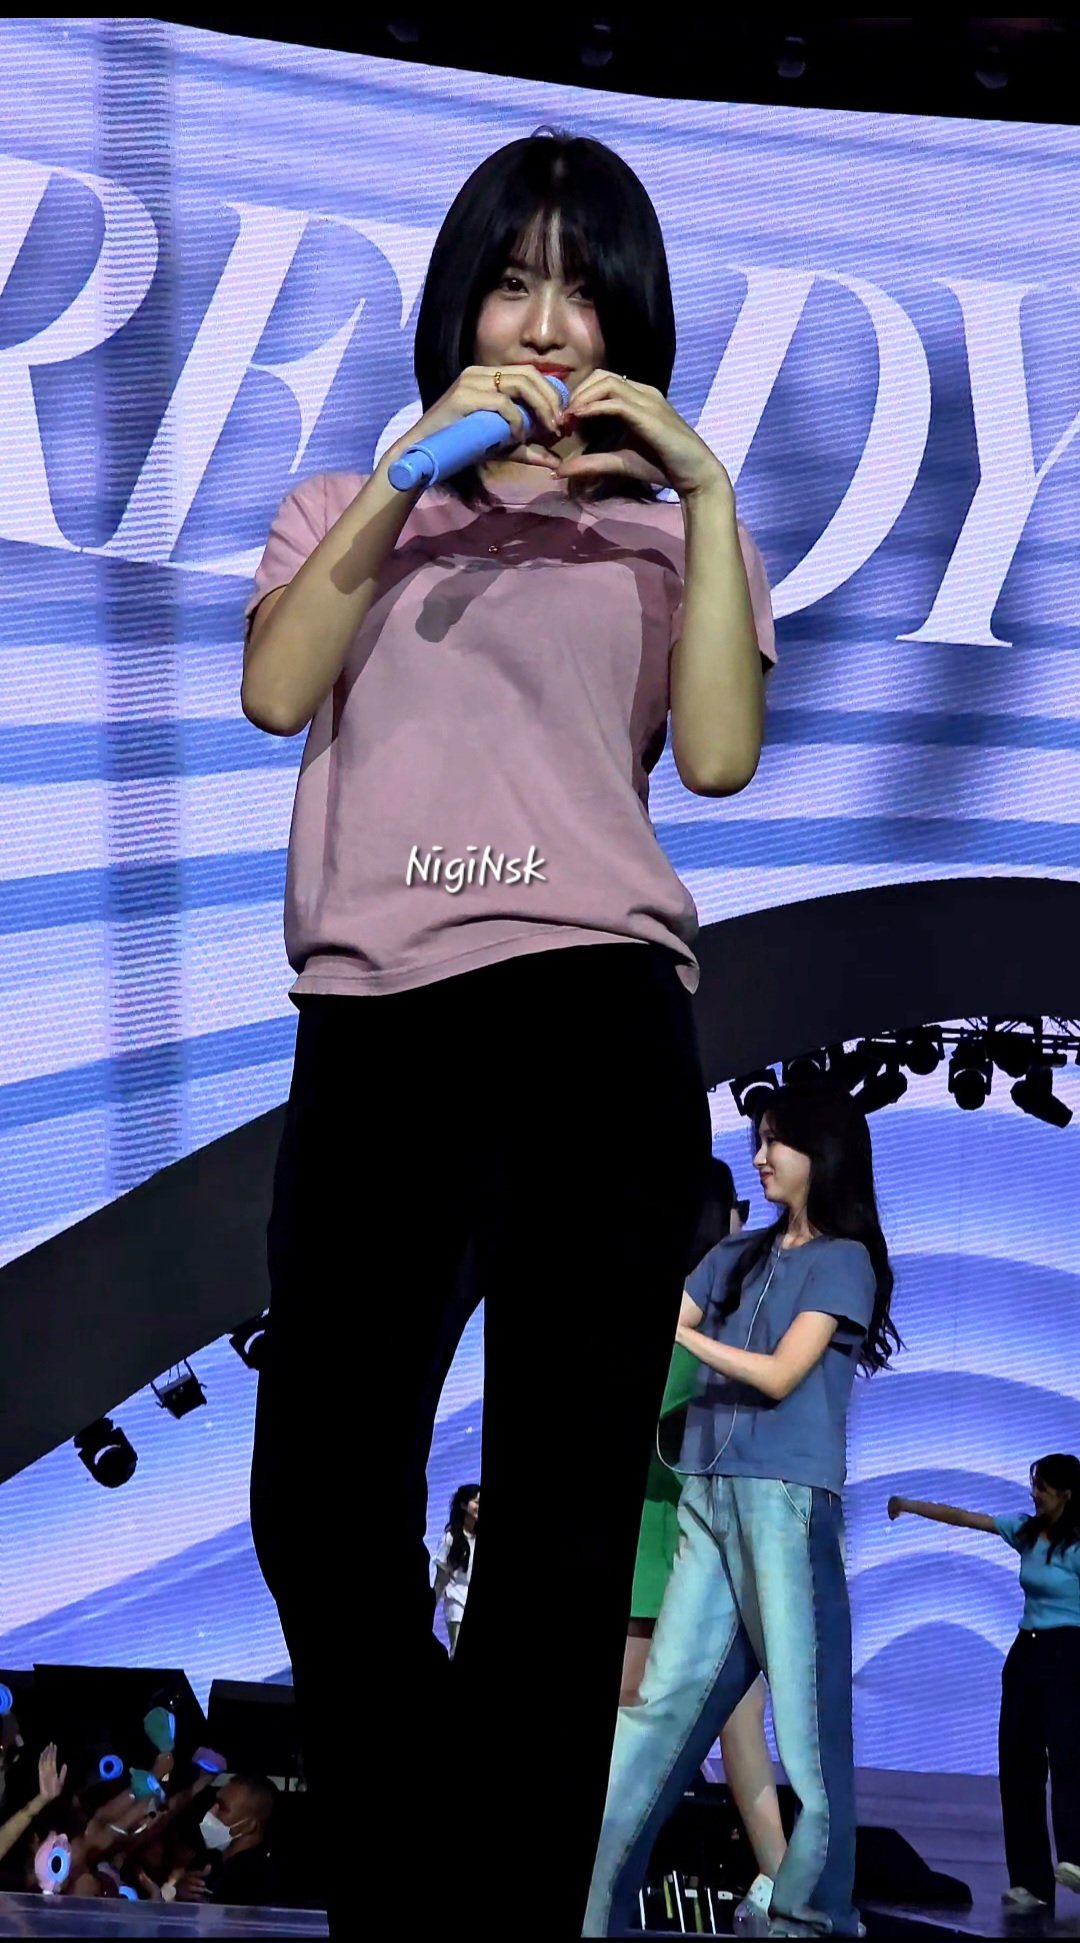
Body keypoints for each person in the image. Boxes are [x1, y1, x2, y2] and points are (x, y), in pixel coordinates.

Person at [243, 127, 774, 1931]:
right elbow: (276, 690)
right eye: (515, 282)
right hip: (381, 1030)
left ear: (632, 325)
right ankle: (428, 1880)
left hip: (598, 1037)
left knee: (559, 1538)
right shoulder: (350, 502)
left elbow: (717, 756)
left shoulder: (669, 538)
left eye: (585, 292)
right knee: (319, 1501)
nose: (547, 325)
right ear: (460, 302)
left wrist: (702, 487)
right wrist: (415, 474)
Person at [587, 1085, 900, 1938]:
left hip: (785, 1503)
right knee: (661, 1707)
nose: (760, 1155)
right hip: (707, 1495)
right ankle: (594, 1897)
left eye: (776, 1141)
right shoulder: (735, 1254)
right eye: (758, 1138)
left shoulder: (844, 1261)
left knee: (806, 1719)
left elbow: (781, 1374)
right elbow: (659, 1319)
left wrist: (684, 1335)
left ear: (822, 1154)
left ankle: (814, 1912)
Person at [622, 1160, 786, 1931]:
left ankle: (781, 1878)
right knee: (710, 1723)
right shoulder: (704, 1314)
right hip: (675, 1545)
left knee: (713, 1720)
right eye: (734, 1208)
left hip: (685, 1547)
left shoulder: (716, 1313)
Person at [888, 1454, 1080, 1914]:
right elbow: (962, 1518)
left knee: (1069, 1758)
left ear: (1067, 1494)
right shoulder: (1026, 1531)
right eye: (1035, 1485)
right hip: (1026, 1653)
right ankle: (1031, 1883)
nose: (1035, 1494)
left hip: (1069, 1653)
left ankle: (1075, 1857)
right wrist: (908, 1505)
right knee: (1018, 1766)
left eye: (1044, 1488)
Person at [433, 1484, 480, 1657]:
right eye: (476, 1502)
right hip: (457, 1604)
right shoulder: (450, 1539)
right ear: (463, 1505)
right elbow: (440, 1580)